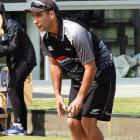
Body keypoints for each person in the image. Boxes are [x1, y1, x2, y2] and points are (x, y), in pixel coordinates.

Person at [25, 0, 116, 139]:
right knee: (72, 122)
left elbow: (91, 68)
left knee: (87, 122)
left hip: (101, 72)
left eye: (38, 15)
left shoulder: (75, 32)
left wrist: (79, 98)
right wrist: (58, 95)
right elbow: (54, 64)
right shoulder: (44, 34)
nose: (35, 21)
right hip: (79, 75)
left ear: (51, 14)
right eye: (33, 16)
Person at [0, 2, 37, 135]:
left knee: (12, 88)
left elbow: (12, 47)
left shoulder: (11, 25)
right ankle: (22, 127)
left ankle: (18, 126)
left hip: (25, 60)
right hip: (16, 62)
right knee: (18, 92)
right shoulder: (1, 28)